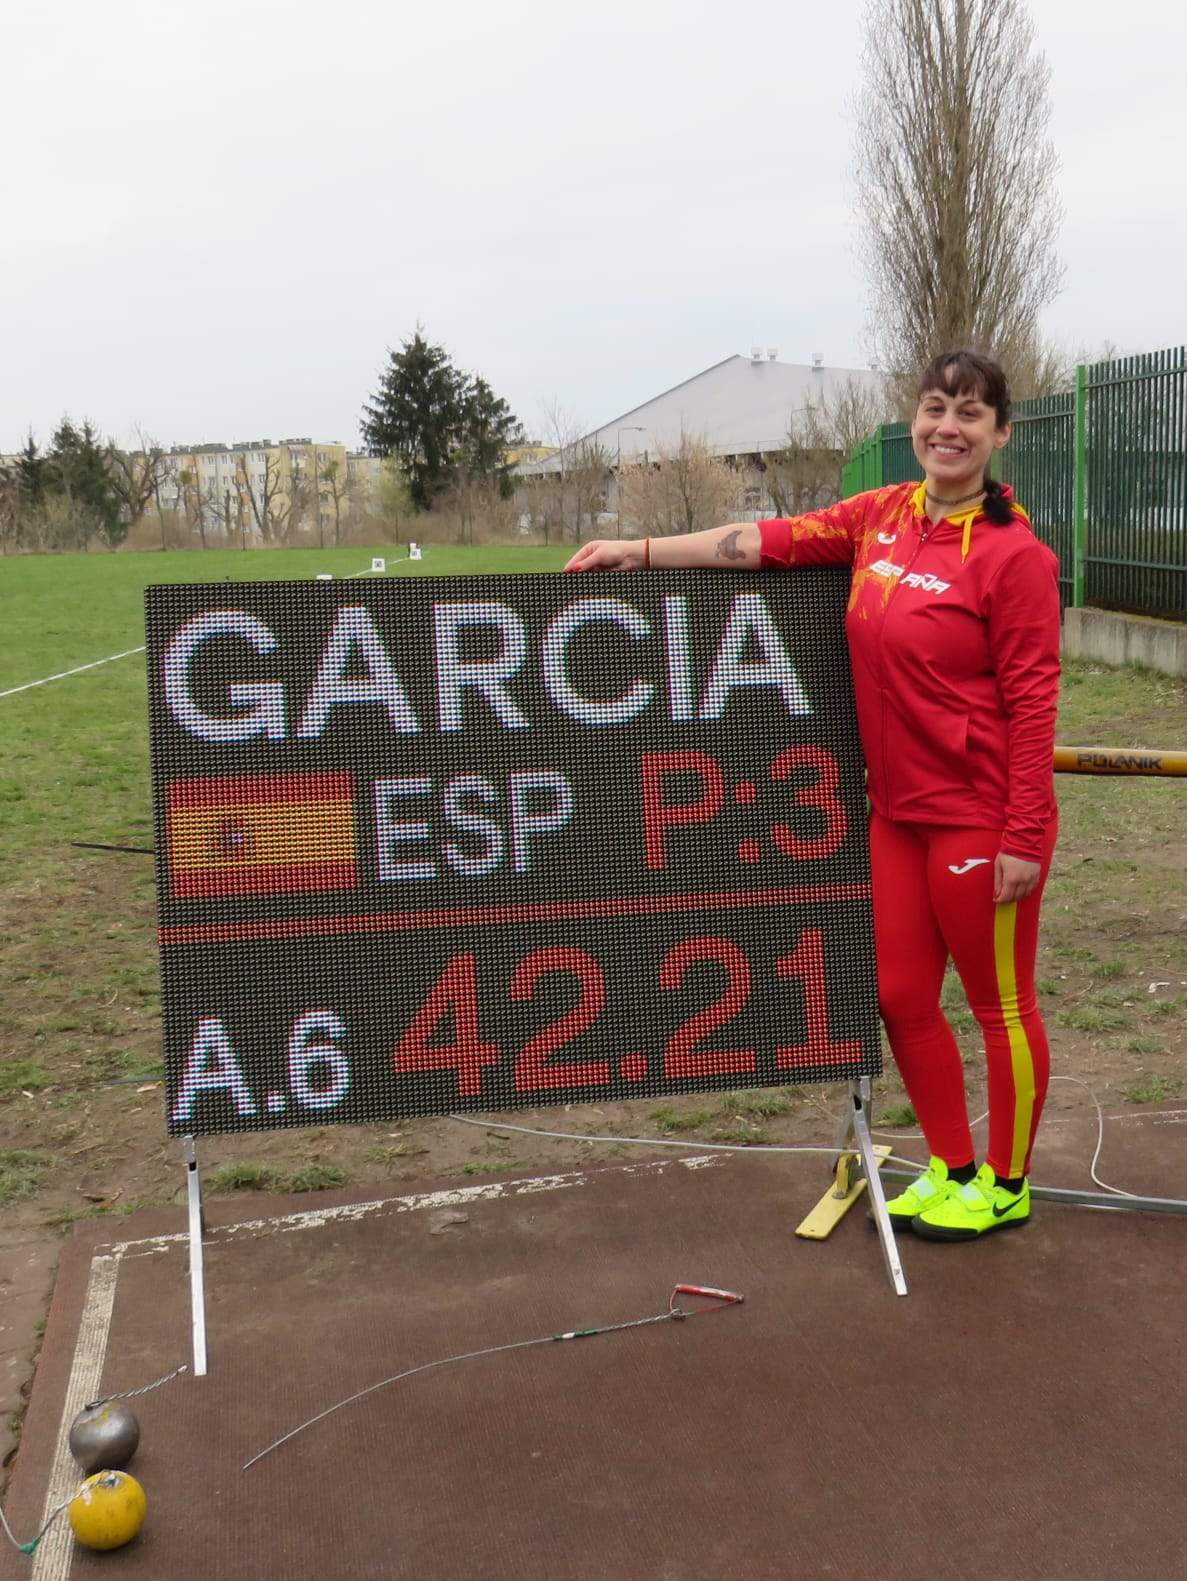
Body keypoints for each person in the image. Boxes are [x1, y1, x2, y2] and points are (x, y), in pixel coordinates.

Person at [565, 349, 1061, 1242]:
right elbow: (763, 541)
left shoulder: (1013, 556)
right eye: (934, 407)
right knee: (898, 996)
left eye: (969, 414)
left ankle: (1008, 1182)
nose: (946, 427)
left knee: (1001, 1006)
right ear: (915, 419)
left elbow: (1033, 703)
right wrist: (634, 550)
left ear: (998, 434)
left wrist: (1022, 834)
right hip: (894, 815)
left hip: (979, 819)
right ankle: (952, 1169)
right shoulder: (882, 517)